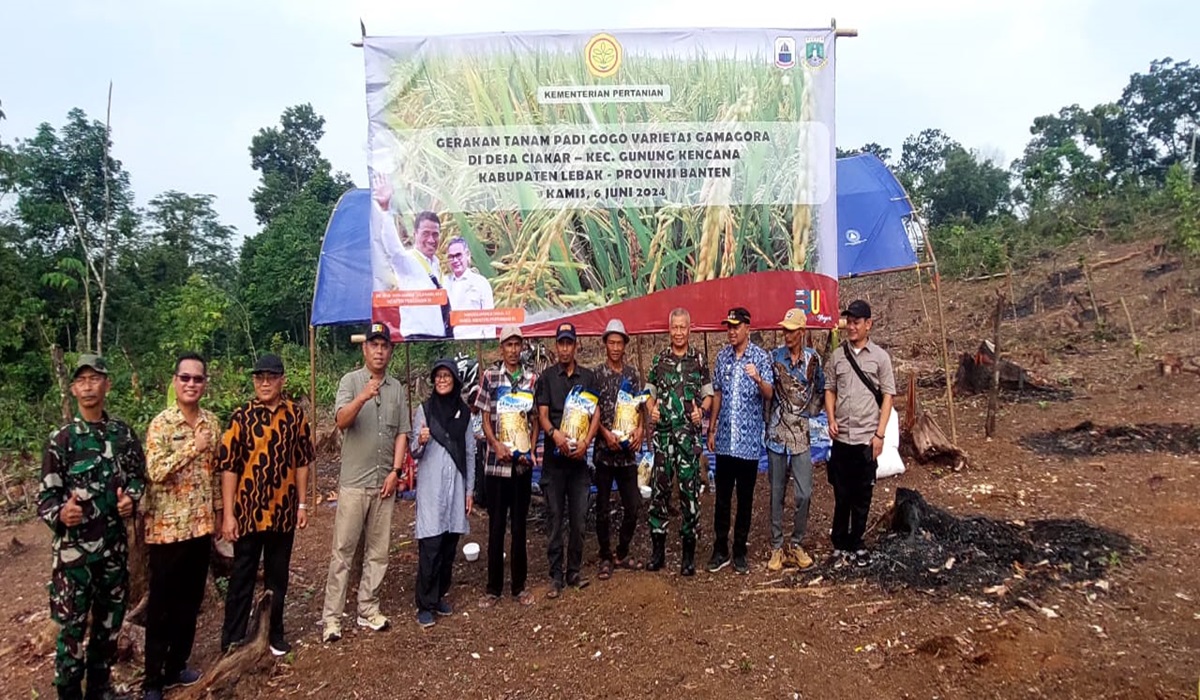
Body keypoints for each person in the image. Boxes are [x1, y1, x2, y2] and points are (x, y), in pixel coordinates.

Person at [38, 354, 146, 700]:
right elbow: (46, 498)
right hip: (74, 559)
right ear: (73, 389)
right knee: (71, 631)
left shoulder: (122, 434)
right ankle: (69, 693)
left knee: (108, 626)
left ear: (107, 385)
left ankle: (101, 690)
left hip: (113, 551)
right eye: (82, 380)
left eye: (95, 379)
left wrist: (131, 499)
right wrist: (61, 514)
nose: (88, 387)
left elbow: (137, 477)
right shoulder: (62, 440)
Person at [217, 354, 313, 656]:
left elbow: (302, 461)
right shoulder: (241, 417)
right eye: (260, 377)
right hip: (248, 513)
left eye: (271, 377)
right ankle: (233, 638)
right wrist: (229, 514)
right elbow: (229, 467)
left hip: (283, 512)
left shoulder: (295, 415)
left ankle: (274, 633)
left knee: (277, 576)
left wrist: (302, 504)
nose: (265, 383)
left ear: (282, 380)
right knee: (242, 576)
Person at [320, 323, 410, 643]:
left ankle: (368, 608)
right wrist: (362, 397)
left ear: (390, 351)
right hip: (354, 483)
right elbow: (341, 421)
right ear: (365, 349)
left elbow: (402, 433)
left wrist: (396, 471)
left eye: (384, 346)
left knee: (378, 551)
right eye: (374, 345)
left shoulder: (397, 389)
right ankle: (331, 618)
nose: (379, 351)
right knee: (343, 552)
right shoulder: (351, 381)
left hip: (384, 482)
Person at [141, 353, 219, 700]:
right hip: (166, 530)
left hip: (200, 528)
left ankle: (177, 665)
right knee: (161, 606)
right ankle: (152, 680)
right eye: (185, 378)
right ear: (175, 382)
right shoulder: (162, 424)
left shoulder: (211, 423)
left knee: (190, 602)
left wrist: (219, 513)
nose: (191, 384)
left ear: (205, 383)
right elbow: (155, 471)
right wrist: (192, 447)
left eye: (197, 378)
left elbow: (215, 472)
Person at [824, 300, 896, 567]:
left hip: (866, 438)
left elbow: (888, 396)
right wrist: (831, 418)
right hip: (842, 437)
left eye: (856, 322)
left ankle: (857, 542)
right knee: (841, 493)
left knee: (862, 494)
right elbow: (830, 389)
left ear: (868, 324)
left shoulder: (880, 358)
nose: (851, 327)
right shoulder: (837, 357)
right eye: (849, 322)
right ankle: (839, 543)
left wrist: (880, 435)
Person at [534, 322, 601, 598]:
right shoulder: (547, 378)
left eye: (569, 343)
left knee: (579, 519)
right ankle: (556, 575)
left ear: (576, 346)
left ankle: (574, 571)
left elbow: (596, 413)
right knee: (554, 518)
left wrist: (586, 442)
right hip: (554, 462)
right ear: (556, 346)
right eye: (561, 343)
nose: (564, 349)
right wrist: (555, 435)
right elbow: (542, 414)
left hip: (579, 461)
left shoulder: (588, 378)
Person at [645, 308, 712, 576]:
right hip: (663, 438)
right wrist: (652, 409)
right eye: (675, 327)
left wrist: (701, 411)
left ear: (689, 329)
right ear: (669, 329)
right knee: (659, 493)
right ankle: (657, 553)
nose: (679, 332)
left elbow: (708, 395)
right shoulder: (659, 360)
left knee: (689, 493)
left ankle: (688, 556)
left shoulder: (698, 360)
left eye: (683, 327)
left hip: (688, 440)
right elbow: (648, 392)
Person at [707, 307, 774, 575]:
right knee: (722, 498)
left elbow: (769, 393)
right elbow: (718, 394)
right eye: (729, 327)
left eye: (736, 327)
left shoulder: (760, 357)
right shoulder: (722, 357)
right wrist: (712, 428)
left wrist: (757, 378)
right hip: (725, 441)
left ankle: (740, 551)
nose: (732, 331)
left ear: (748, 328)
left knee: (745, 498)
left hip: (748, 444)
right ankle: (720, 549)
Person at [475, 326, 539, 608]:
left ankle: (519, 586)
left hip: (521, 466)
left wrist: (530, 449)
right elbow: (484, 415)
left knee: (519, 527)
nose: (513, 350)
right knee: (496, 526)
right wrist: (495, 445)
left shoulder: (531, 379)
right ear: (501, 348)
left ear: (522, 347)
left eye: (517, 345)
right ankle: (493, 588)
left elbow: (535, 419)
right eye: (508, 345)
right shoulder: (490, 376)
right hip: (496, 464)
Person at [411, 359, 476, 628]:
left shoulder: (464, 413)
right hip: (431, 489)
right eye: (438, 376)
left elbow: (470, 453)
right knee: (431, 544)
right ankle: (424, 604)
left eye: (447, 376)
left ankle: (438, 596)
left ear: (455, 380)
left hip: (456, 487)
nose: (442, 380)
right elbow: (414, 451)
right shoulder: (424, 411)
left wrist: (469, 490)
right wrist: (420, 441)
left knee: (449, 544)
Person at [765, 310, 825, 572]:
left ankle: (797, 543)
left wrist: (809, 413)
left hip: (801, 434)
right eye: (785, 330)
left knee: (804, 492)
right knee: (776, 491)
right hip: (777, 433)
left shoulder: (813, 359)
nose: (787, 335)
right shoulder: (773, 358)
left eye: (791, 331)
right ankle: (777, 546)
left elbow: (820, 389)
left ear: (802, 332)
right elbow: (767, 392)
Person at [591, 319, 646, 580]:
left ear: (625, 345)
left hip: (627, 456)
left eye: (619, 343)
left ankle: (621, 552)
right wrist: (604, 433)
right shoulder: (596, 375)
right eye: (611, 343)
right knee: (602, 508)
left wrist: (640, 430)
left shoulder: (632, 375)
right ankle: (605, 555)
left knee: (632, 506)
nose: (615, 347)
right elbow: (591, 411)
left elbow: (640, 407)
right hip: (604, 453)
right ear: (605, 344)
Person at [370, 172, 451, 339]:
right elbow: (393, 248)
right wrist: (385, 210)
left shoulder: (436, 264)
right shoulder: (407, 261)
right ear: (415, 234)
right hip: (417, 337)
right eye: (425, 234)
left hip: (440, 337)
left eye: (435, 234)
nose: (431, 240)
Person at [445, 236, 496, 339]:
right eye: (451, 257)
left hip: (475, 340)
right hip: (451, 341)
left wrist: (488, 342)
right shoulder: (444, 283)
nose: (455, 260)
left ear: (467, 254)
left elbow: (489, 321)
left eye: (458, 255)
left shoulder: (481, 283)